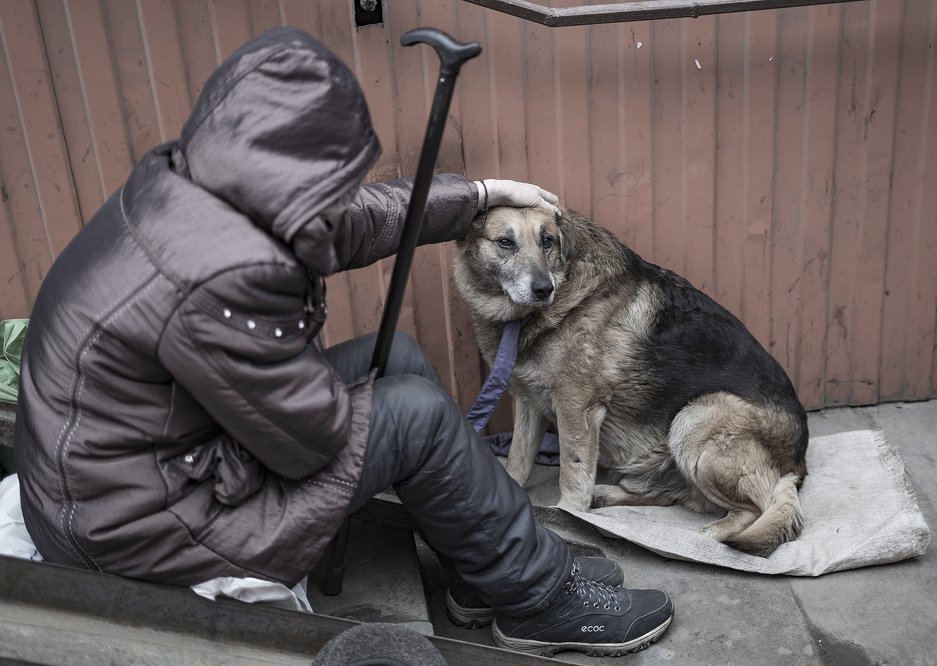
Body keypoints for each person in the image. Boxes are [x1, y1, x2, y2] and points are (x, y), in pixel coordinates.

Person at [13, 27, 673, 657]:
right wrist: (383, 416)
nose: (338, 193)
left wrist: (478, 195)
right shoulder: (221, 275)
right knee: (413, 416)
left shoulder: (198, 183)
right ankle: (539, 603)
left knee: (401, 361)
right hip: (145, 526)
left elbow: (345, 222)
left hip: (154, 466)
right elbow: (308, 443)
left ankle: (485, 568)